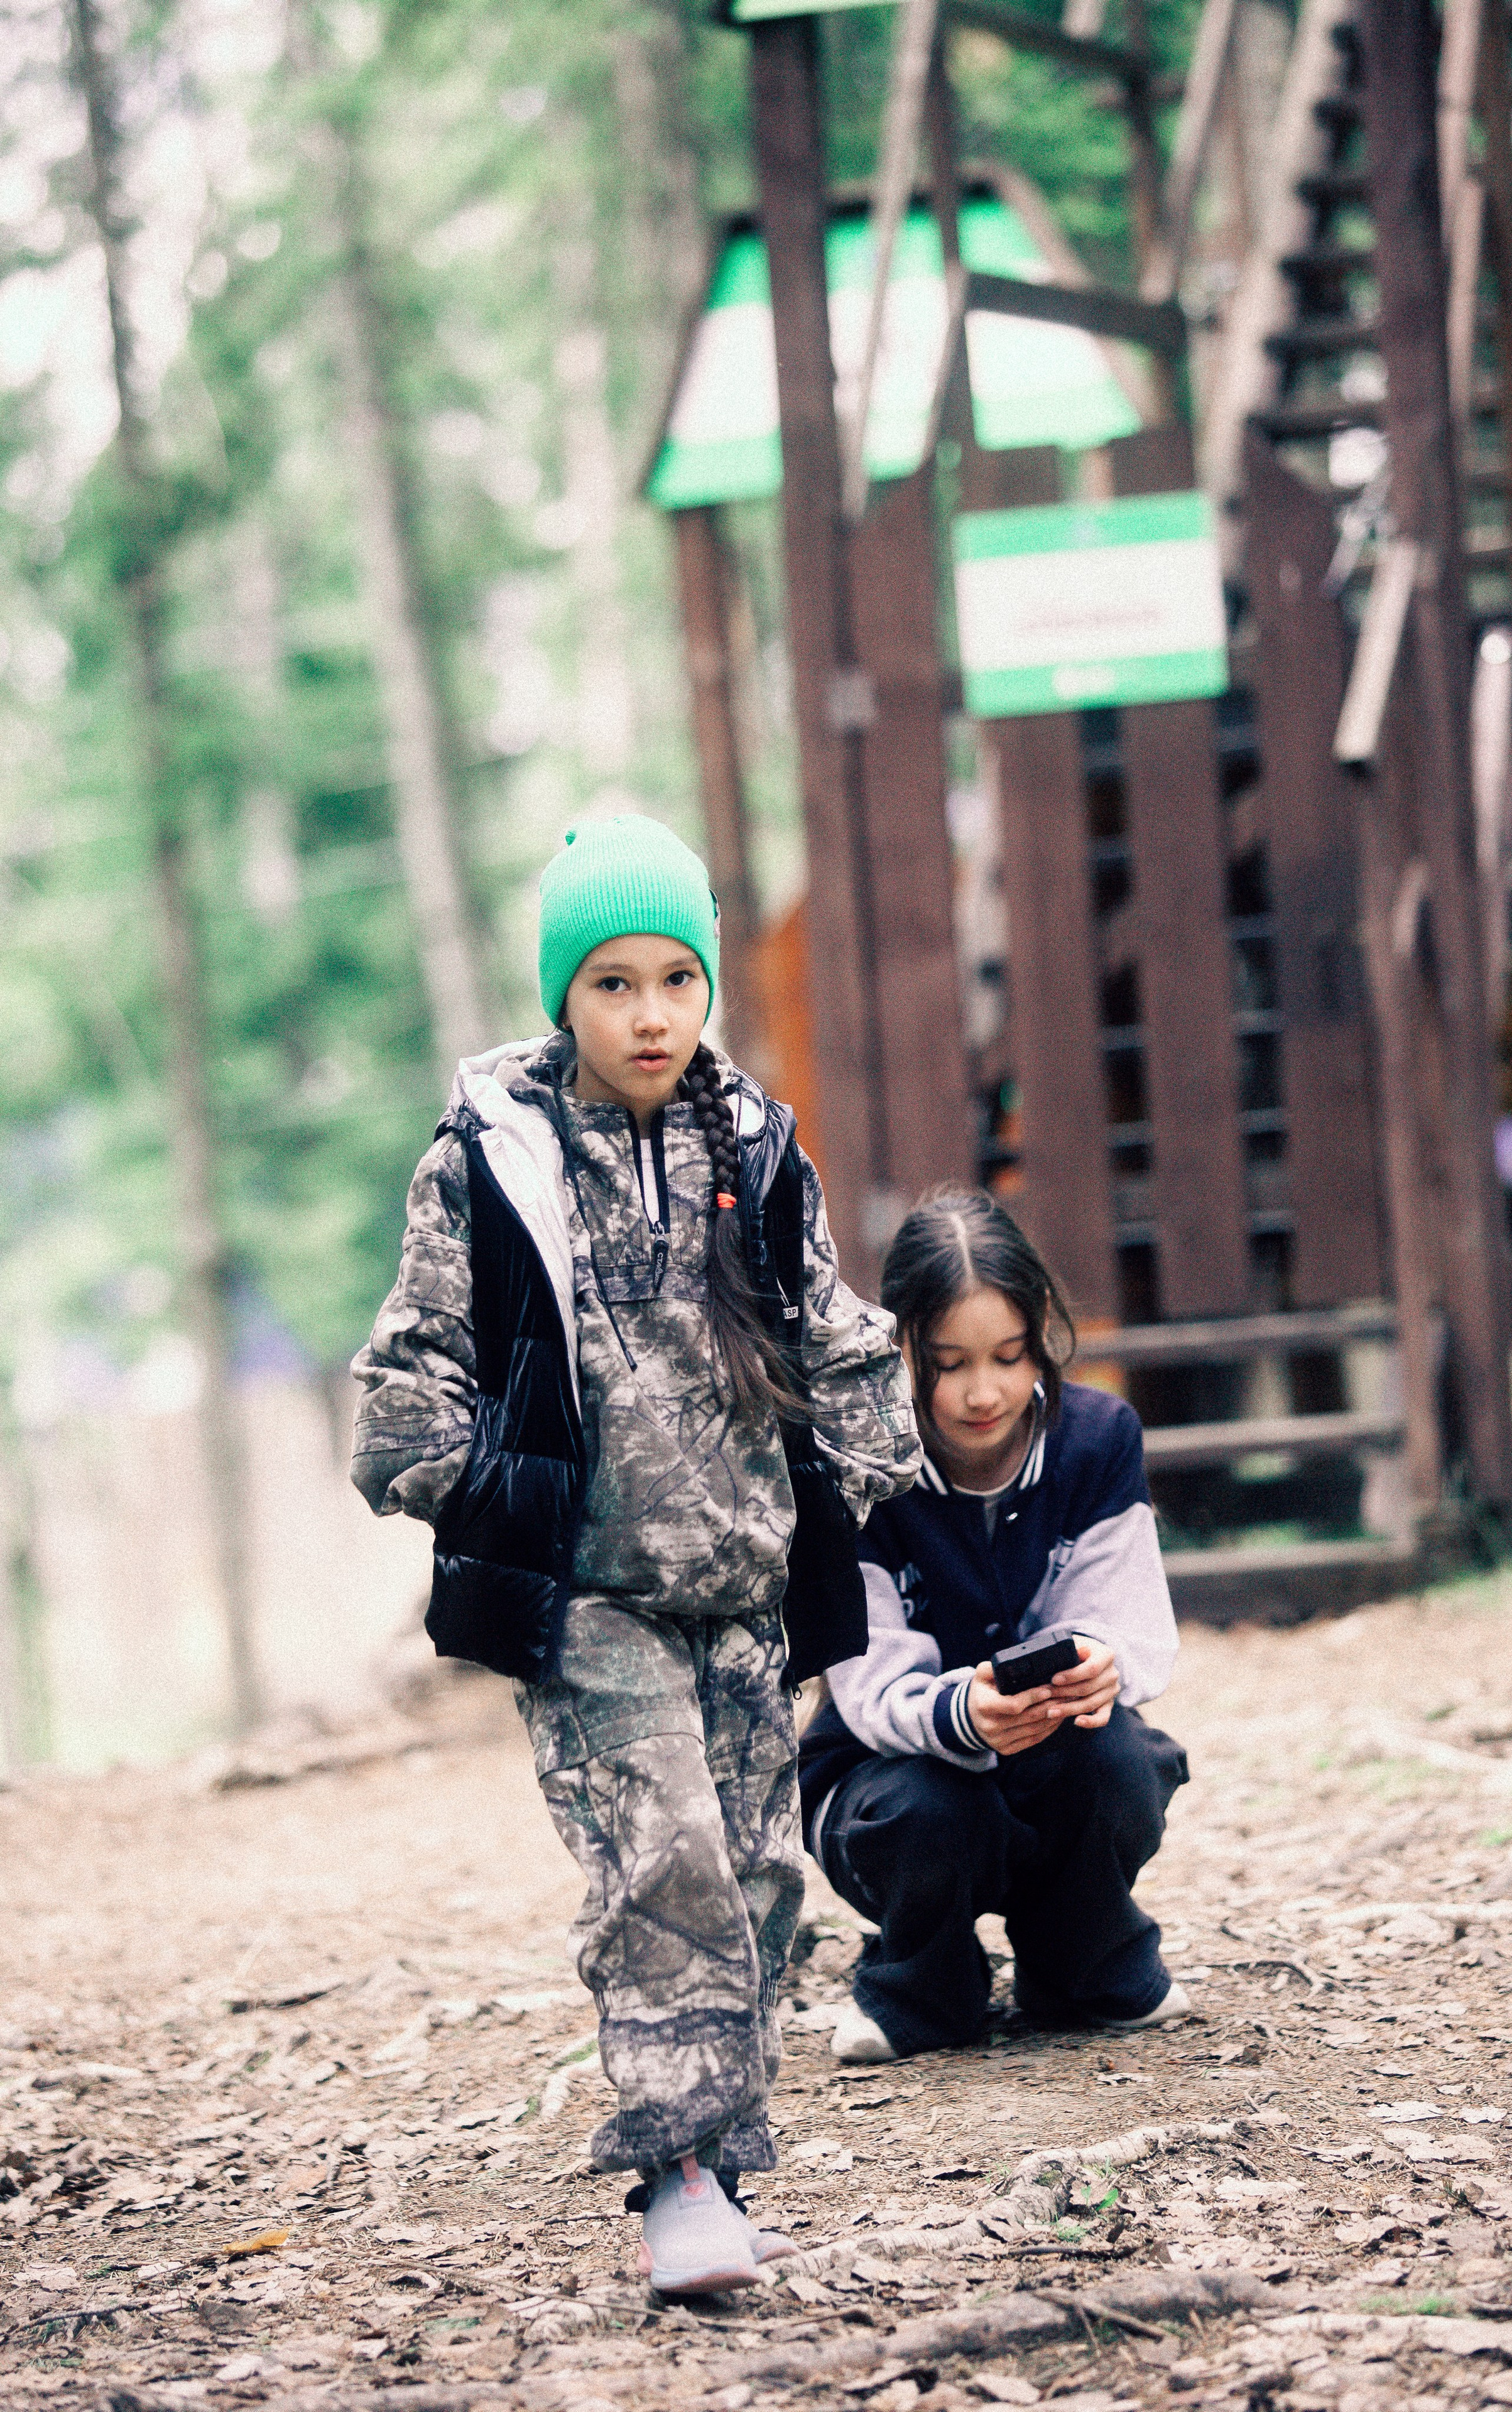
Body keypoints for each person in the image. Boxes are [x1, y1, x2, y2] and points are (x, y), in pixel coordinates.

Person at [350, 814, 918, 2291]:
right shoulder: (493, 1161)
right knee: (656, 1861)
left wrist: (892, 1482)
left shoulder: (755, 1144)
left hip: (740, 1592)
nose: (650, 1013)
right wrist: (479, 1487)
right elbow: (410, 1370)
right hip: (591, 1595)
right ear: (561, 997)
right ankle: (672, 2180)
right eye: (611, 983)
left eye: (676, 977)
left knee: (753, 1881)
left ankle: (721, 2166)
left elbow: (829, 1330)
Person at [798, 1190, 1188, 2065]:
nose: (984, 1393)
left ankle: (1087, 1963)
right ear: (900, 1347)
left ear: (1043, 1329)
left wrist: (1098, 1666)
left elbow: (1128, 1622)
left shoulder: (1096, 1440)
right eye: (948, 1364)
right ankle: (920, 1986)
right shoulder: (856, 1463)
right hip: (885, 1779)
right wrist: (959, 1714)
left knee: (1119, 1759)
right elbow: (865, 1684)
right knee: (931, 1805)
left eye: (1010, 1357)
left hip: (1048, 1749)